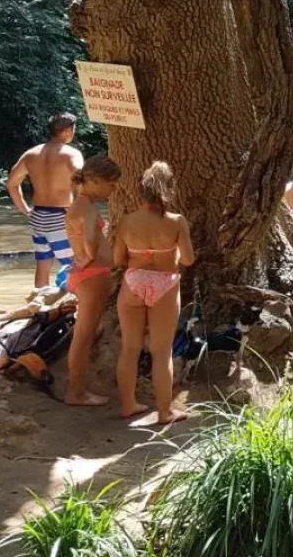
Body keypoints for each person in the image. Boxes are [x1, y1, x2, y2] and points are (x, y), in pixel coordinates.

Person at [114, 161, 195, 423]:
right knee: (162, 352)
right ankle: (164, 411)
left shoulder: (126, 221)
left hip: (133, 282)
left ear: (141, 191)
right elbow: (188, 260)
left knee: (129, 348)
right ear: (169, 190)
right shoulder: (176, 222)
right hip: (165, 284)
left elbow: (118, 259)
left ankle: (128, 405)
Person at [62, 156, 122, 407]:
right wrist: (86, 260)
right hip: (92, 277)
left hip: (87, 276)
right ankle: (76, 393)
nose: (113, 189)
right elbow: (89, 242)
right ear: (95, 181)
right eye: (111, 184)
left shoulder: (79, 204)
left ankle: (77, 390)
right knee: (84, 336)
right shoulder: (86, 208)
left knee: (84, 334)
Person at [7, 113, 84, 290]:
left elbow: (11, 184)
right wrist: (79, 210)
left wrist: (25, 209)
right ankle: (78, 307)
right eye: (73, 129)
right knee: (74, 264)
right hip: (61, 217)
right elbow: (83, 180)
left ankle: (39, 306)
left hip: (38, 216)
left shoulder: (31, 154)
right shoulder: (71, 154)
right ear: (67, 130)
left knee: (43, 264)